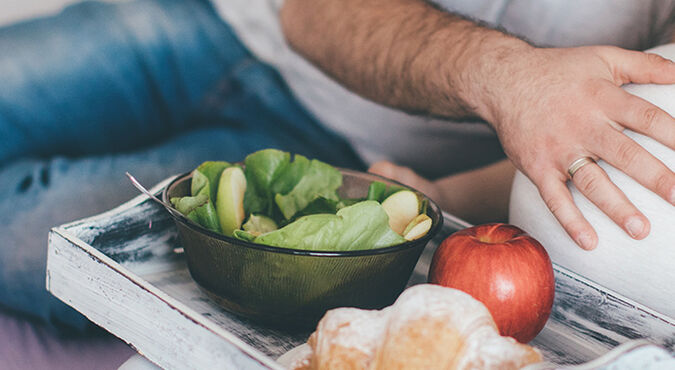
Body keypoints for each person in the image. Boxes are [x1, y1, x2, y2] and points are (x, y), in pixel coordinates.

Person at [1, 0, 674, 368]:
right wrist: (506, 76)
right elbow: (314, 13)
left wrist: (434, 194)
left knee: (28, 240)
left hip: (345, 158)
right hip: (227, 26)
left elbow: (582, 137)